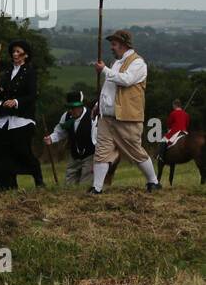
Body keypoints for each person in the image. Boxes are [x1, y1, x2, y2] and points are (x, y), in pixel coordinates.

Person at [91, 29, 160, 193]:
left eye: (114, 44)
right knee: (101, 151)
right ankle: (97, 188)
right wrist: (98, 104)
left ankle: (153, 181)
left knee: (135, 151)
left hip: (127, 117)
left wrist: (104, 70)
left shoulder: (138, 63)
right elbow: (109, 88)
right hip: (107, 117)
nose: (111, 47)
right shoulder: (116, 63)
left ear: (123, 45)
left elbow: (126, 80)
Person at [0, 39, 43, 188]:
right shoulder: (8, 72)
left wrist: (16, 102)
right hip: (5, 118)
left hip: (22, 118)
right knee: (0, 150)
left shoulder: (30, 72)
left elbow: (32, 95)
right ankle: (7, 184)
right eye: (13, 52)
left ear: (26, 55)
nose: (15, 54)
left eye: (18, 52)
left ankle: (39, 180)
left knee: (22, 151)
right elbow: (4, 93)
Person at [43, 90, 96, 185]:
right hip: (74, 156)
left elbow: (97, 140)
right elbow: (60, 132)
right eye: (69, 108)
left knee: (85, 184)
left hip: (90, 156)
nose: (71, 111)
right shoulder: (66, 116)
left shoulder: (92, 117)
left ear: (81, 106)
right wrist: (51, 138)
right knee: (68, 185)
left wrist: (97, 161)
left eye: (74, 108)